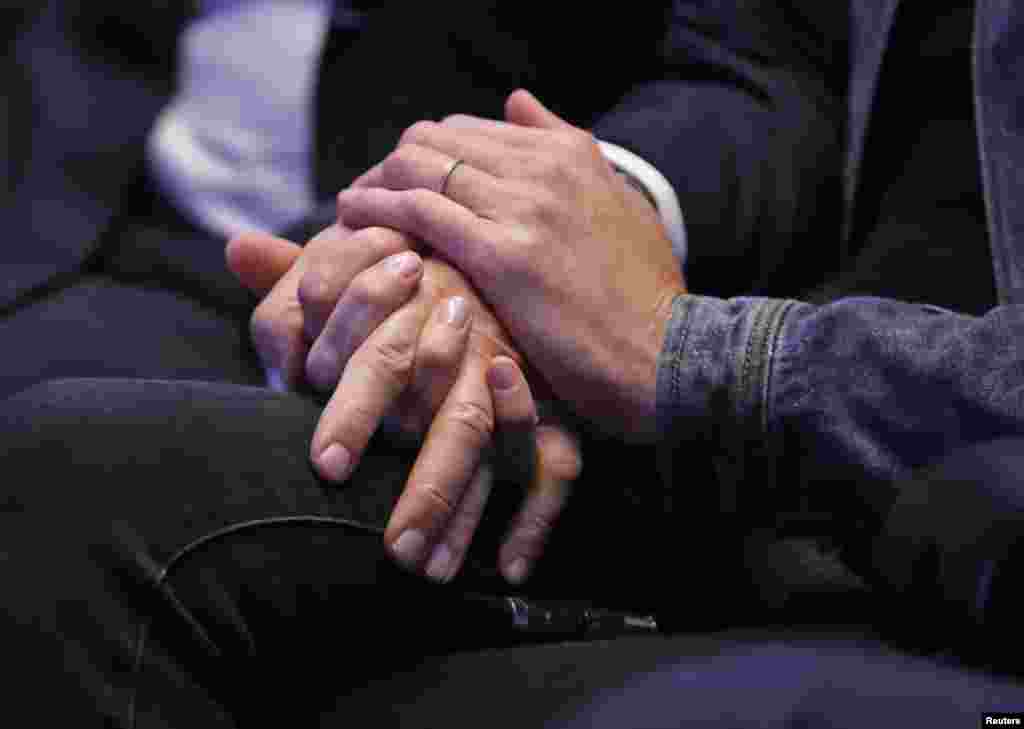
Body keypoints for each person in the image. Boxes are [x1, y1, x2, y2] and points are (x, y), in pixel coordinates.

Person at [4, 1, 1024, 727]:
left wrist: (686, 354)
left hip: (924, 481)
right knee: (78, 475)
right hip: (762, 431)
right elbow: (772, 72)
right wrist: (510, 245)